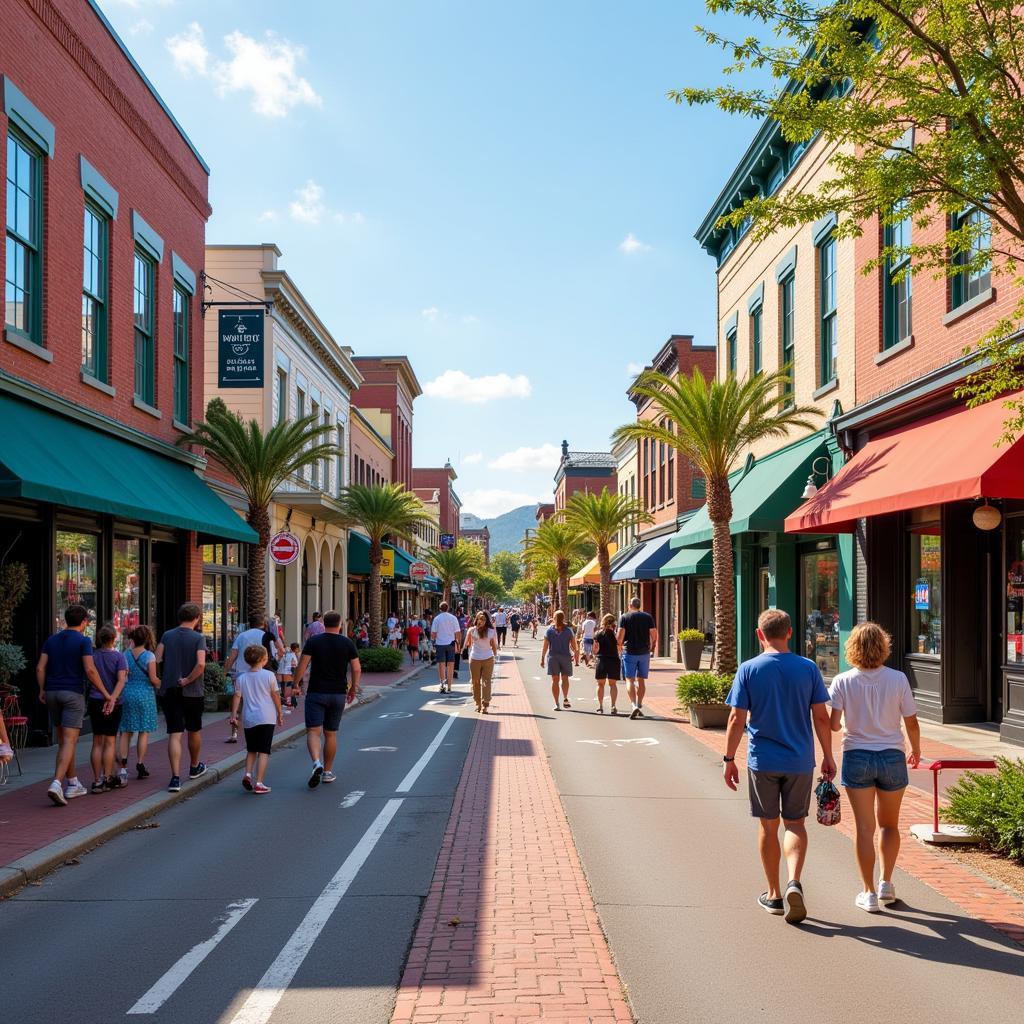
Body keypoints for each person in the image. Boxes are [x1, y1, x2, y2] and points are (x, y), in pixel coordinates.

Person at [723, 609, 836, 924]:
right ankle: (794, 881)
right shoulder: (808, 668)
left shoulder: (749, 669)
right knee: (795, 824)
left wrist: (729, 758)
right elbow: (821, 717)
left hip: (763, 760)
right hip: (800, 760)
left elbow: (736, 718)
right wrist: (828, 755)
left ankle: (773, 895)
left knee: (767, 825)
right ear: (789, 633)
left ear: (760, 635)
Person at [829, 622, 921, 913]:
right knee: (890, 825)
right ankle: (886, 883)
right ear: (884, 646)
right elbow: (911, 721)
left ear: (852, 647)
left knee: (864, 828)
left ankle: (867, 892)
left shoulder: (842, 680)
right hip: (892, 755)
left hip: (857, 755)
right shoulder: (898, 679)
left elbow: (833, 724)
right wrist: (916, 749)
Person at [36, 604, 103, 805]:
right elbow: (90, 670)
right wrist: (105, 692)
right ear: (84, 622)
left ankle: (73, 783)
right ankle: (57, 783)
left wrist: (42, 690)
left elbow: (40, 667)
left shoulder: (51, 640)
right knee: (70, 741)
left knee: (64, 740)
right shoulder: (83, 641)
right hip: (72, 693)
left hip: (52, 693)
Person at [294, 610, 361, 788]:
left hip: (316, 692)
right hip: (338, 693)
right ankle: (327, 772)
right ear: (340, 625)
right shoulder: (347, 643)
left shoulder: (314, 641)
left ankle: (317, 762)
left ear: (323, 624)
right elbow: (356, 669)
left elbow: (303, 664)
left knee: (313, 732)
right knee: (330, 734)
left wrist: (295, 684)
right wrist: (353, 688)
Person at [156, 603, 207, 793]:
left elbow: (157, 659)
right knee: (194, 730)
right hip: (192, 691)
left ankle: (175, 777)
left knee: (174, 733)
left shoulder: (167, 636)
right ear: (197, 618)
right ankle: (194, 766)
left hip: (170, 689)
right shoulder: (198, 638)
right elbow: (201, 665)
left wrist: (159, 679)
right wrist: (187, 680)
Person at [230, 644, 283, 794]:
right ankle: (259, 782)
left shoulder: (242, 678)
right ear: (264, 659)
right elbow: (275, 696)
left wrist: (234, 715)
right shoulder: (269, 676)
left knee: (251, 749)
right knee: (264, 751)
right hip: (266, 717)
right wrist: (280, 713)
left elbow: (237, 697)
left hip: (249, 718)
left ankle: (247, 774)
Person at [88, 624, 127, 792]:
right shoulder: (119, 657)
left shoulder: (93, 657)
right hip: (114, 702)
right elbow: (121, 680)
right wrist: (113, 699)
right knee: (110, 741)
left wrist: (105, 697)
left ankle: (97, 781)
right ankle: (108, 776)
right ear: (114, 639)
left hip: (96, 699)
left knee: (97, 741)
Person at [118, 625, 159, 780]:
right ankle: (140, 763)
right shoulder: (149, 656)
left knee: (126, 731)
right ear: (148, 639)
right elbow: (153, 679)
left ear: (133, 639)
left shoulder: (125, 655)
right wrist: (163, 684)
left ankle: (122, 766)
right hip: (145, 695)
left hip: (127, 693)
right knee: (143, 731)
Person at [224, 613, 271, 743]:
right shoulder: (265, 636)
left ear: (249, 624)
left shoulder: (241, 636)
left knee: (238, 703)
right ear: (263, 623)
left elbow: (232, 656)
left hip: (241, 675)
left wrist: (224, 672)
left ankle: (234, 733)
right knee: (260, 701)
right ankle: (259, 731)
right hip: (260, 674)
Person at [617, 596, 657, 720]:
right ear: (639, 606)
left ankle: (634, 705)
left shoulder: (624, 617)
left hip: (629, 651)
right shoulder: (648, 617)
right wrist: (652, 647)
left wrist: (619, 647)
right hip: (644, 652)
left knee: (629, 679)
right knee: (641, 680)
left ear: (630, 605)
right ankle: (639, 703)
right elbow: (654, 635)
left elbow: (619, 637)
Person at [541, 610, 579, 711]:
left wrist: (542, 658)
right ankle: (565, 698)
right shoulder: (568, 630)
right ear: (563, 618)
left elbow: (545, 646)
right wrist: (576, 656)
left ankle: (556, 703)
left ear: (553, 617)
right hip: (565, 657)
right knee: (565, 678)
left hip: (553, 657)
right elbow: (574, 646)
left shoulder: (549, 630)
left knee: (555, 680)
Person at [462, 610, 498, 714]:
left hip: (481, 659)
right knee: (481, 681)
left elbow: (467, 645)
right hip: (481, 658)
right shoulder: (478, 631)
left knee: (480, 681)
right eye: (480, 619)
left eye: (482, 619)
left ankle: (481, 704)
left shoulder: (479, 631)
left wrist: (494, 656)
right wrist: (494, 657)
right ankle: (482, 704)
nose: (481, 621)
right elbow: (493, 646)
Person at [431, 601, 463, 693]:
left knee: (441, 664)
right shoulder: (453, 618)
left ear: (440, 609)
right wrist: (459, 644)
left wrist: (433, 641)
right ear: (448, 608)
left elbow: (433, 633)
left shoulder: (437, 619)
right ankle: (449, 686)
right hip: (451, 643)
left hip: (440, 644)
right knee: (450, 664)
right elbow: (458, 632)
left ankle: (442, 684)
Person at [593, 613, 622, 715]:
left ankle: (600, 707)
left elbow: (595, 649)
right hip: (613, 660)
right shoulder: (616, 634)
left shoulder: (598, 634)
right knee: (613, 684)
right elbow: (619, 648)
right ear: (614, 622)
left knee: (600, 684)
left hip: (602, 660)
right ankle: (613, 706)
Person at [277, 642, 299, 711]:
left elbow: (280, 664)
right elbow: (294, 667)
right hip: (289, 674)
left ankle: (284, 703)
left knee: (283, 689)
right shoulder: (293, 656)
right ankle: (289, 704)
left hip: (282, 674)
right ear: (296, 649)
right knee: (289, 690)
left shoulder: (286, 655)